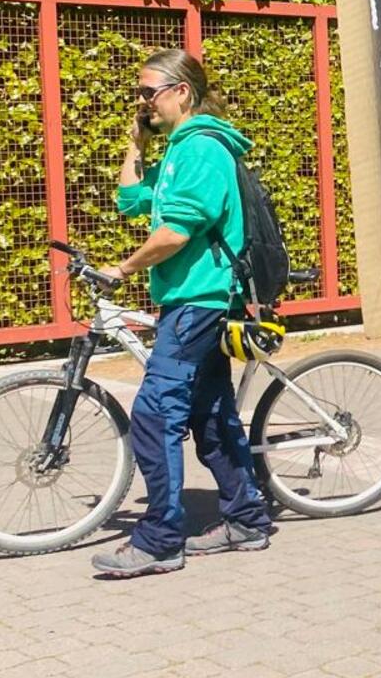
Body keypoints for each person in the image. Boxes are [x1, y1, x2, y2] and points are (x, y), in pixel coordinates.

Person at [90, 49, 274, 578]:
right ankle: (247, 519)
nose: (141, 101)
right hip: (191, 299)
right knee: (209, 414)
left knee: (154, 414)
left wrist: (123, 269)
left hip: (200, 301)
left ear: (182, 92)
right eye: (138, 93)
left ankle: (160, 540)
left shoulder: (202, 150)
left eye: (149, 92)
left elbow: (175, 232)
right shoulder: (178, 150)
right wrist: (136, 142)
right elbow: (130, 201)